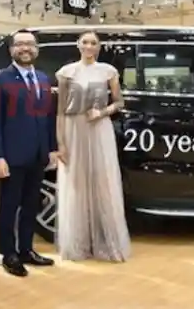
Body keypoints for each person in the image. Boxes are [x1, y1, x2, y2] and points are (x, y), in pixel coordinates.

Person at [0, 29, 57, 277]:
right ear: (11, 50)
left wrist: (52, 149)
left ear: (36, 49)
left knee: (31, 206)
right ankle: (8, 253)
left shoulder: (43, 78)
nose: (25, 48)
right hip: (11, 155)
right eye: (20, 44)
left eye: (30, 44)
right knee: (9, 206)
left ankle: (26, 249)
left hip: (38, 155)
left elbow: (48, 117)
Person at [55, 31, 131, 262]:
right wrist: (61, 143)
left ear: (99, 47)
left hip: (99, 129)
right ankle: (78, 244)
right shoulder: (66, 72)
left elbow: (119, 101)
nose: (89, 46)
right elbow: (60, 111)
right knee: (76, 185)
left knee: (103, 182)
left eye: (93, 43)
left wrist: (103, 112)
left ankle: (107, 242)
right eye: (85, 42)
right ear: (78, 45)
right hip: (73, 129)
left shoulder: (108, 71)